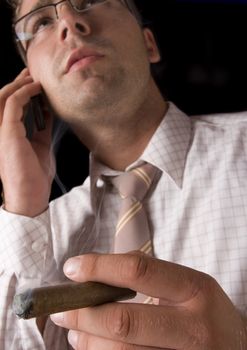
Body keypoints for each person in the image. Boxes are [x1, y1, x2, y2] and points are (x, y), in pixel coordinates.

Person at [0, 0, 246, 349]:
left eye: (88, 1)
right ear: (33, 86)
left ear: (149, 43)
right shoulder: (36, 233)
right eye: (40, 23)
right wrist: (22, 205)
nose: (69, 21)